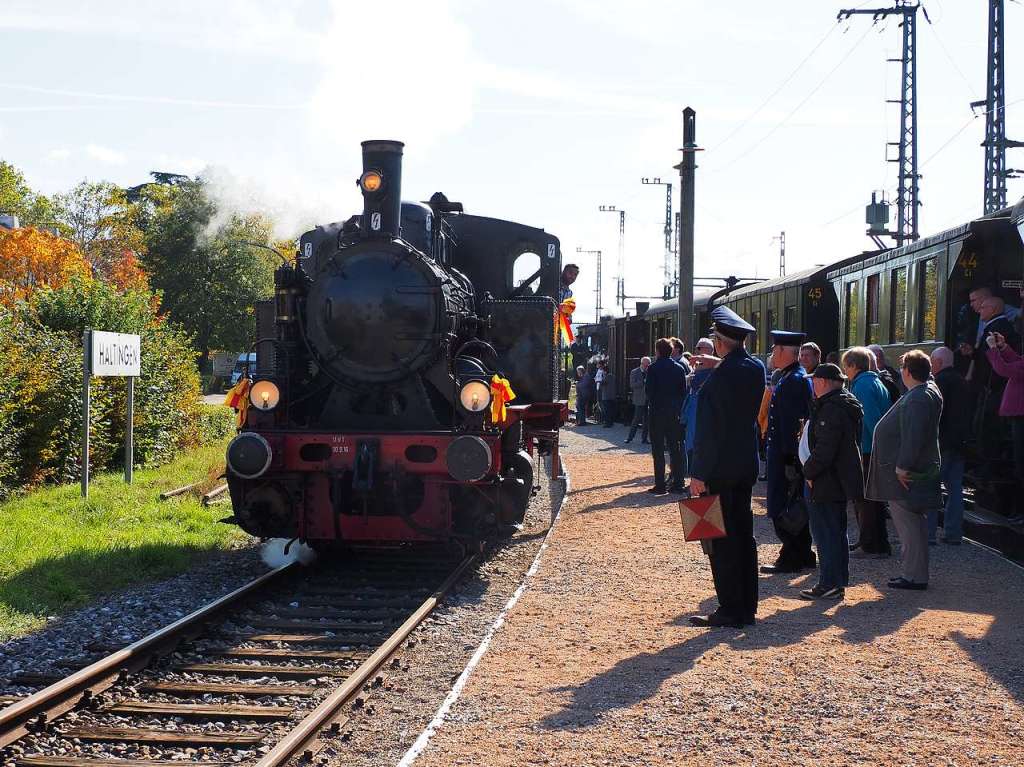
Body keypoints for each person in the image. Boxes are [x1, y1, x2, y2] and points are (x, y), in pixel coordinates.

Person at [688, 307, 766, 628]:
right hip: (743, 466)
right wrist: (718, 364)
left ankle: (729, 609)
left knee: (720, 540)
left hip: (718, 468)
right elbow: (738, 370)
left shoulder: (720, 379)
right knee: (744, 537)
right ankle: (747, 606)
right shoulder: (754, 368)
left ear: (720, 342)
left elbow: (710, 432)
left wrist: (698, 473)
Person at [865, 350, 942, 590]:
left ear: (908, 371)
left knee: (909, 526)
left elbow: (913, 436)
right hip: (912, 469)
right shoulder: (926, 392)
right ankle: (913, 573)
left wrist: (902, 466)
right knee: (912, 525)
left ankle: (914, 576)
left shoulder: (919, 397)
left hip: (907, 473)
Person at [799, 363, 864, 601]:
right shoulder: (843, 404)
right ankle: (835, 582)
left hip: (826, 479)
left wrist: (808, 472)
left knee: (826, 533)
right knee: (835, 532)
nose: (812, 385)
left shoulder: (831, 409)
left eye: (814, 381)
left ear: (824, 382)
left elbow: (825, 449)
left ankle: (829, 583)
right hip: (836, 478)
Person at [761, 331, 816, 575]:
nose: (772, 354)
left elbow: (794, 423)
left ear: (784, 351)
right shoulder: (791, 377)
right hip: (785, 452)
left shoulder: (793, 380)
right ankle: (803, 554)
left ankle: (791, 556)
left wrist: (789, 457)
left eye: (775, 350)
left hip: (786, 454)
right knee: (792, 504)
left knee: (784, 506)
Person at [842, 346, 893, 557]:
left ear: (854, 366)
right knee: (871, 499)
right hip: (872, 448)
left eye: (846, 366)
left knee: (865, 499)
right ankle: (871, 540)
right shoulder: (875, 381)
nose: (845, 371)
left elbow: (870, 420)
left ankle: (871, 544)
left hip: (866, 450)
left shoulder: (862, 386)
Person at [929, 347, 970, 544]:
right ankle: (953, 533)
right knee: (955, 489)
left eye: (932, 361)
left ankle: (928, 534)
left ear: (938, 362)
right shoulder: (962, 381)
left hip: (942, 442)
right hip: (959, 442)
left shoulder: (939, 382)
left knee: (931, 488)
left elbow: (936, 415)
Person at [987, 330, 1024, 524]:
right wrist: (1004, 347)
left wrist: (994, 350)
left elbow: (1006, 370)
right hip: (1018, 416)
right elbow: (1017, 361)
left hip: (1021, 416)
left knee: (1021, 466)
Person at [645, 338, 688, 496]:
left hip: (657, 413)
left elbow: (649, 391)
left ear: (657, 351)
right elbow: (683, 392)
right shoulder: (679, 369)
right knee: (675, 449)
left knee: (657, 450)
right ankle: (678, 484)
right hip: (674, 414)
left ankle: (660, 485)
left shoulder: (653, 368)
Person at [681, 338, 715, 473]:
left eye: (699, 348)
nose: (696, 351)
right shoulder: (698, 368)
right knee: (691, 443)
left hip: (702, 411)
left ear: (708, 351)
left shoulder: (711, 368)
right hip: (693, 409)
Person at [626, 356, 651, 444]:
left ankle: (644, 439)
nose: (648, 366)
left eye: (649, 364)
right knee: (636, 419)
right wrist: (643, 382)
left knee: (646, 421)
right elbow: (632, 385)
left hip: (648, 399)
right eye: (647, 364)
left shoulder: (650, 372)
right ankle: (630, 437)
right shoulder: (634, 372)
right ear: (642, 364)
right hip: (639, 399)